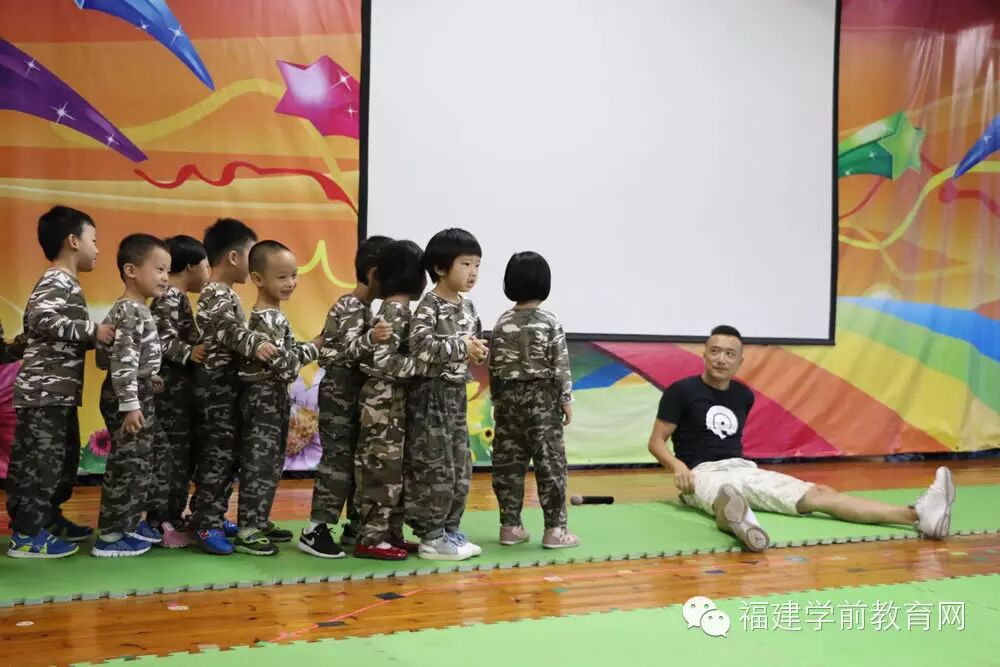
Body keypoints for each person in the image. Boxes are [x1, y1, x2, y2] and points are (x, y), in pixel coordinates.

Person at [647, 324, 957, 552]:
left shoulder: (744, 395)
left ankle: (917, 516)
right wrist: (678, 467)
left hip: (744, 469)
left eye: (730, 354)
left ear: (740, 362)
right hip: (700, 473)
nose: (721, 359)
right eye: (715, 351)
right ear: (704, 354)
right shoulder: (681, 391)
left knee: (817, 494)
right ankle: (742, 523)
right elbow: (656, 441)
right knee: (724, 496)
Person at [6, 206, 114, 558]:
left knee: (61, 462)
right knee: (42, 464)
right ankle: (27, 535)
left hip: (57, 393)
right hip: (44, 393)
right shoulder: (57, 280)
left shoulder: (67, 283)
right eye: (93, 240)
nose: (98, 249)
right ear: (73, 241)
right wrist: (92, 330)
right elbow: (41, 318)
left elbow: (42, 333)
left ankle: (46, 519)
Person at [299, 236, 393, 558]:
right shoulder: (350, 305)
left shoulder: (366, 308)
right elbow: (343, 352)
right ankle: (315, 529)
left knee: (356, 460)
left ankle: (355, 526)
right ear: (373, 273)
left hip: (355, 393)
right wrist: (372, 338)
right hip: (339, 391)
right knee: (337, 461)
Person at [189, 218, 277, 555]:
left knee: (227, 455)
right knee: (218, 456)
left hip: (225, 384)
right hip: (216, 385)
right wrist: (256, 344)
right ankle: (206, 522)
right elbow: (228, 330)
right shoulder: (216, 292)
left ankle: (213, 513)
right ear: (234, 257)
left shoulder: (224, 292)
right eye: (251, 254)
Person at [406, 228, 488, 561]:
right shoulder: (430, 305)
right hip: (431, 393)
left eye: (477, 265)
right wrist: (461, 347)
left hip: (456, 394)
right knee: (436, 465)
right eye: (465, 264)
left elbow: (472, 344)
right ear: (441, 268)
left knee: (460, 465)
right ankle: (431, 535)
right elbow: (419, 345)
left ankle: (450, 529)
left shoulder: (468, 307)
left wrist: (477, 352)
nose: (473, 272)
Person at [234, 241, 320, 555]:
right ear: (257, 279)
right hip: (262, 397)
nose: (290, 283)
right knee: (259, 461)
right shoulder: (264, 320)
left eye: (294, 275)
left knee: (272, 461)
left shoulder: (276, 316)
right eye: (282, 277)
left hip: (274, 397)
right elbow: (285, 365)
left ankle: (259, 518)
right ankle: (248, 528)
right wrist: (315, 346)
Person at [489, 252, 578, 549]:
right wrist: (565, 399)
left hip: (508, 400)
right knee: (550, 463)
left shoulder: (502, 322)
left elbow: (494, 366)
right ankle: (555, 530)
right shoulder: (549, 321)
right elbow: (560, 364)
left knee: (508, 464)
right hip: (542, 400)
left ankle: (510, 526)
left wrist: (497, 401)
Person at [92, 234, 171, 557]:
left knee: (141, 459)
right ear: (131, 270)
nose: (165, 277)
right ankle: (112, 535)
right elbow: (120, 362)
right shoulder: (131, 310)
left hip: (135, 391)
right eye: (159, 269)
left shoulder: (134, 310)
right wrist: (129, 404)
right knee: (128, 463)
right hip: (128, 397)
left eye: (168, 271)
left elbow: (110, 357)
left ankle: (130, 521)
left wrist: (148, 377)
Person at [353, 240, 427, 561]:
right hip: (382, 402)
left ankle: (391, 533)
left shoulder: (401, 310)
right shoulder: (394, 311)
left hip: (394, 401)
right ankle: (371, 537)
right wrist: (423, 367)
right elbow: (384, 361)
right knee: (381, 468)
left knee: (395, 469)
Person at [150, 235, 210, 548]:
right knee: (172, 458)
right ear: (190, 266)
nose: (208, 272)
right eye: (206, 265)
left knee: (181, 458)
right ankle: (162, 520)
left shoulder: (178, 298)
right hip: (169, 395)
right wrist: (191, 352)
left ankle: (172, 516)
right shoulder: (170, 297)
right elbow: (160, 341)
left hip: (180, 394)